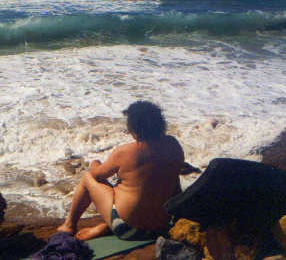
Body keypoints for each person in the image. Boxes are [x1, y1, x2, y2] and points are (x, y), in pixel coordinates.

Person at [57, 100, 199, 240]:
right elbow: (171, 167)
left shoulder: (125, 152)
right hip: (164, 225)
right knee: (168, 179)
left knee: (88, 177)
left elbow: (97, 174)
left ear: (134, 128)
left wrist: (94, 162)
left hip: (128, 229)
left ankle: (69, 225)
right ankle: (106, 226)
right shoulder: (173, 145)